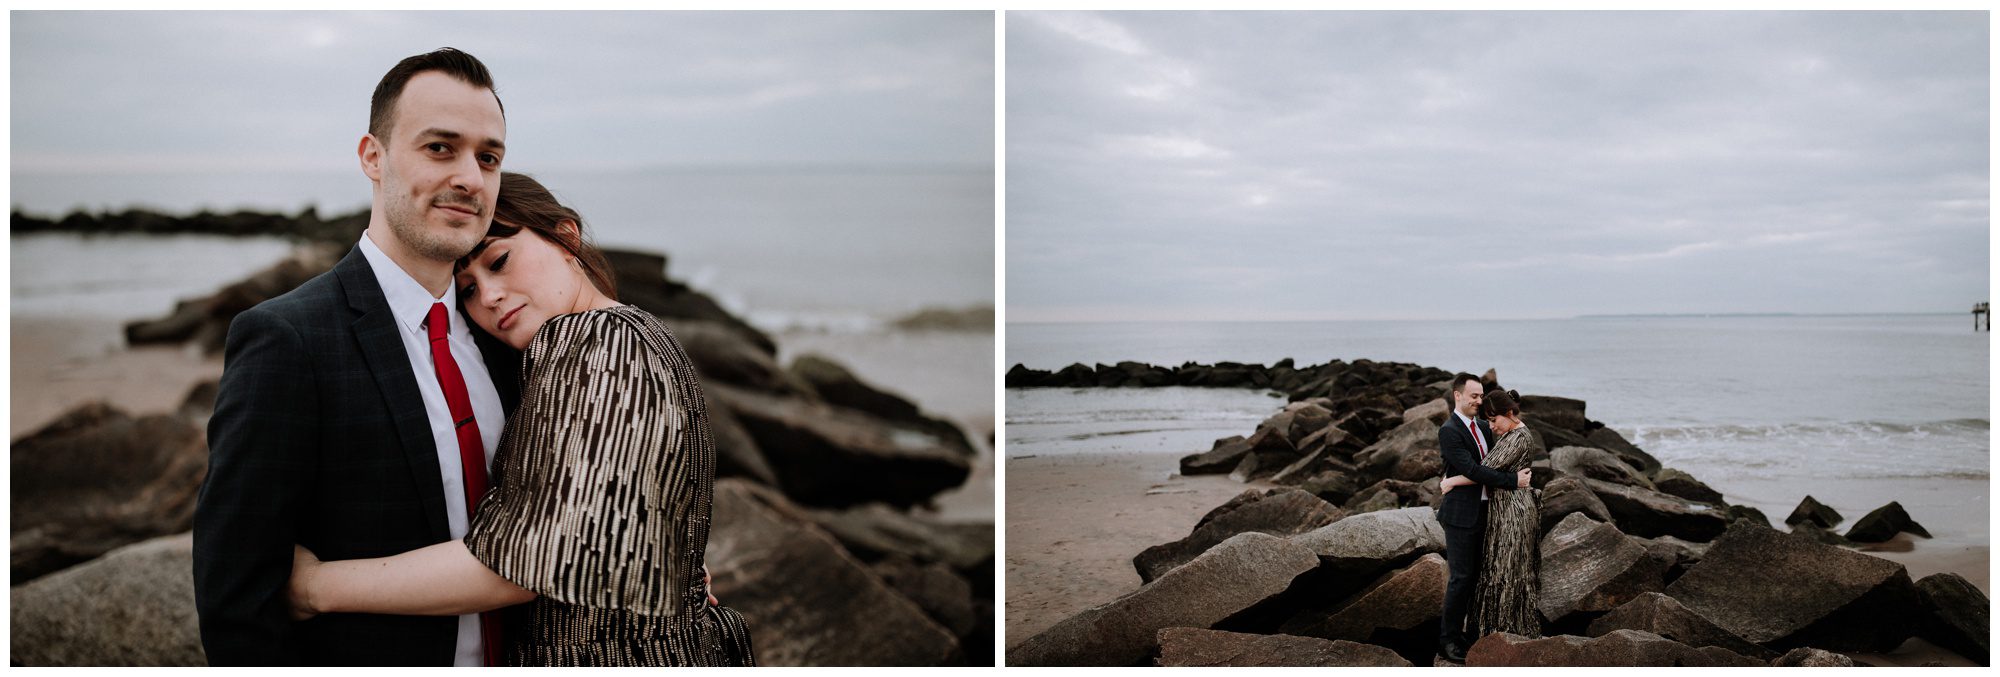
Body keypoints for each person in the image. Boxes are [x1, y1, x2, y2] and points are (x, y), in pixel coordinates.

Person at [283, 173, 754, 667]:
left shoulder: (600, 346)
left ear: (567, 239)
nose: (488, 297)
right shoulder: (628, 335)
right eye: (466, 290)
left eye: (500, 261)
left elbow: (521, 568)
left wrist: (316, 586)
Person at [194, 47, 518, 666]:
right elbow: (237, 598)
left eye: (489, 157)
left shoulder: (511, 339)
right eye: (440, 148)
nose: (471, 179)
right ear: (373, 156)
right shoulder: (287, 341)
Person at [1433, 374, 1531, 664]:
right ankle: (1447, 641)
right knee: (1460, 579)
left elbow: (1501, 453)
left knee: (1478, 579)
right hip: (1461, 516)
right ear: (1458, 396)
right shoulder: (1449, 431)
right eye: (1473, 395)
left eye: (1480, 395)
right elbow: (1474, 470)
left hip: (1487, 512)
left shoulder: (1483, 428)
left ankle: (1466, 633)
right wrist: (1512, 480)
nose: (1478, 400)